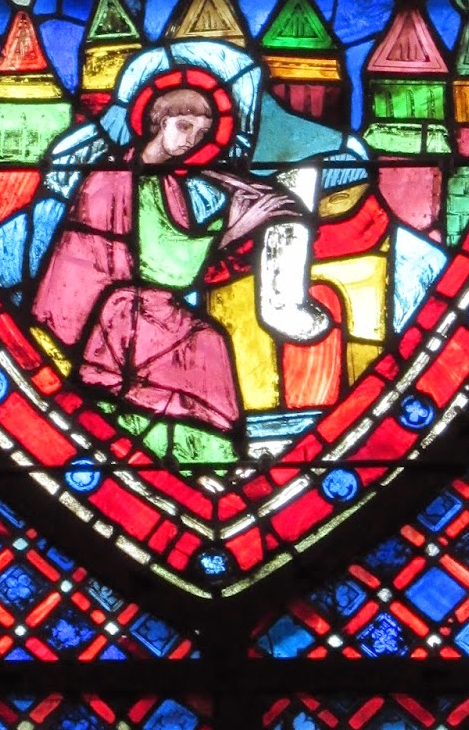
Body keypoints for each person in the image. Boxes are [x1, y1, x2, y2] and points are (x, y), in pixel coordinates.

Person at [30, 77, 325, 463]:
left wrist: (234, 223)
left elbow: (176, 253)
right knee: (207, 341)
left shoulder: (166, 182)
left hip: (145, 303)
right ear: (158, 121)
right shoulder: (112, 177)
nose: (191, 140)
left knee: (208, 339)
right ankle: (185, 449)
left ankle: (199, 452)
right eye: (184, 126)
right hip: (111, 309)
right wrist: (237, 226)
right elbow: (164, 264)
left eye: (201, 134)